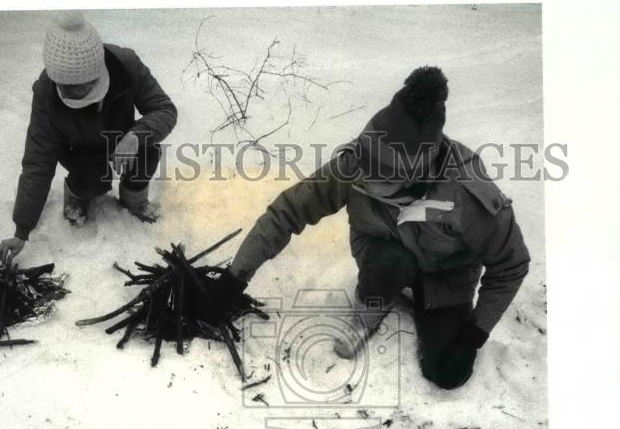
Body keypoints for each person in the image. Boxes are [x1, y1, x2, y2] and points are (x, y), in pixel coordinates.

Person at [221, 66, 530, 390]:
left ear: (412, 178)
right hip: (384, 253)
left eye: (377, 177)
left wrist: (474, 335)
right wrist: (234, 277)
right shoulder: (359, 160)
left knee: (448, 374)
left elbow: (511, 264)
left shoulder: (466, 192)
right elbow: (288, 211)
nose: (362, 178)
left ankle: (426, 302)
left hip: (447, 277)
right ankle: (373, 305)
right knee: (391, 264)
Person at [0, 11, 177, 263]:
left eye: (85, 88)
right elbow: (37, 162)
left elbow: (165, 110)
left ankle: (133, 198)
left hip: (121, 139)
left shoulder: (125, 63)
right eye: (69, 89)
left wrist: (135, 137)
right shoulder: (46, 93)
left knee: (148, 151)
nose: (78, 95)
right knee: (93, 176)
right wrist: (21, 230)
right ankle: (76, 194)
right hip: (79, 152)